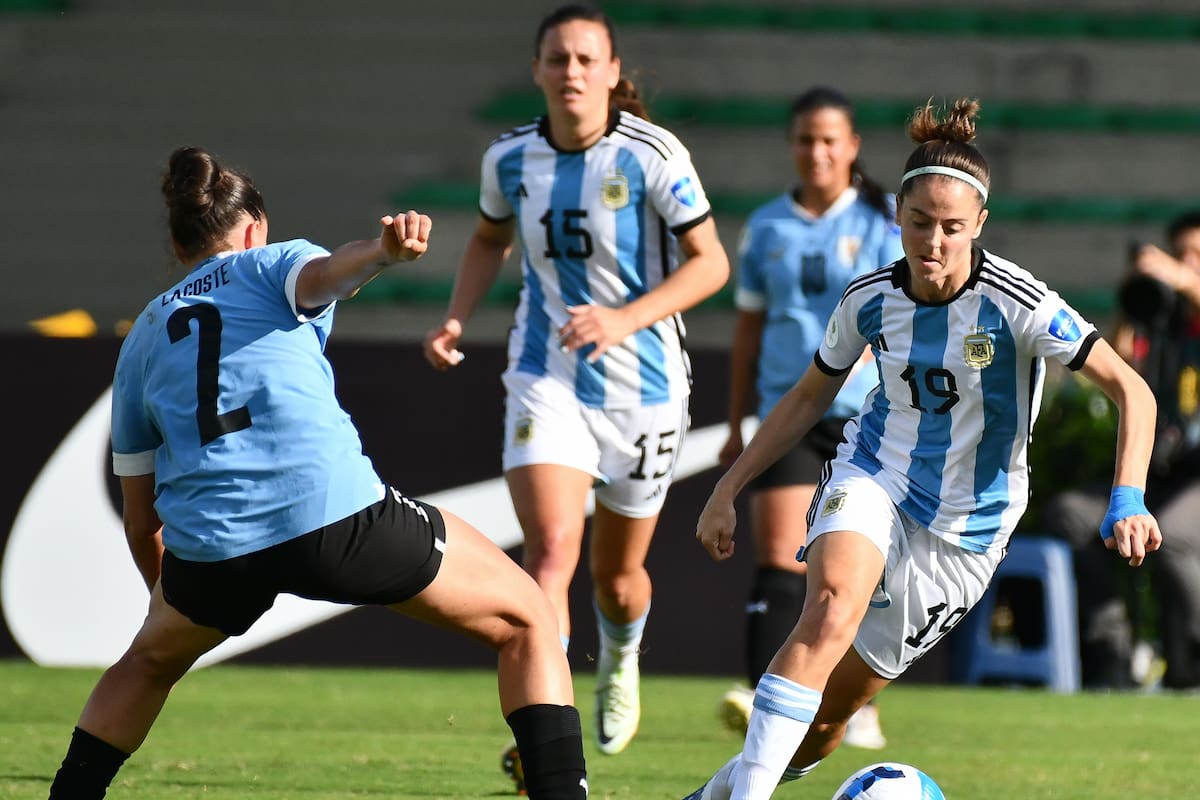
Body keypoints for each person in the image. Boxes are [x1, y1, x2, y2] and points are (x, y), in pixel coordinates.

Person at [46, 146, 589, 800]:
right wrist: (384, 254)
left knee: (144, 664)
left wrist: (176, 599)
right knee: (528, 616)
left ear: (177, 239)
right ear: (252, 230)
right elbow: (330, 272)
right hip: (334, 519)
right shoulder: (269, 261)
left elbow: (141, 521)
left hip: (213, 555)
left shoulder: (141, 340)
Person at [682, 98, 1162, 800]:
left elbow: (1133, 391)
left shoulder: (1019, 302)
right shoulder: (870, 299)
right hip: (876, 473)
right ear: (896, 218)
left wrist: (1128, 497)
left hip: (966, 532)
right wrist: (729, 485)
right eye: (918, 223)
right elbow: (809, 396)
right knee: (830, 607)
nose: (933, 241)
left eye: (951, 228)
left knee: (827, 721)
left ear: (979, 227)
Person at [423, 2, 729, 765]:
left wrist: (624, 320)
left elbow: (712, 264)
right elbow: (490, 239)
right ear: (536, 70)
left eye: (587, 60)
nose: (571, 73)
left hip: (646, 386)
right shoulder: (509, 159)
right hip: (546, 372)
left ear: (613, 73)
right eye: (557, 59)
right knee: (551, 554)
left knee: (617, 578)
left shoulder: (653, 155)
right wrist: (458, 317)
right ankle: (543, 739)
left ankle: (619, 660)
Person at [715, 86, 903, 750]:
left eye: (831, 140)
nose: (817, 152)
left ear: (852, 146)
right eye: (805, 139)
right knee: (776, 556)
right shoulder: (766, 226)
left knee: (850, 571)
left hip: (870, 417)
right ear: (791, 146)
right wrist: (738, 422)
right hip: (786, 412)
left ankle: (853, 697)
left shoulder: (883, 222)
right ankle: (763, 707)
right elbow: (748, 329)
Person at [1043, 210, 1200, 689]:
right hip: (1157, 475)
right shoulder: (1162, 324)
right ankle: (1109, 658)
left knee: (1172, 531)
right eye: (1181, 255)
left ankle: (1189, 667)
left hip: (1195, 482)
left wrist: (1184, 281)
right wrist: (1134, 307)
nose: (1185, 265)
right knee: (1070, 514)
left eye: (1199, 257)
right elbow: (1111, 370)